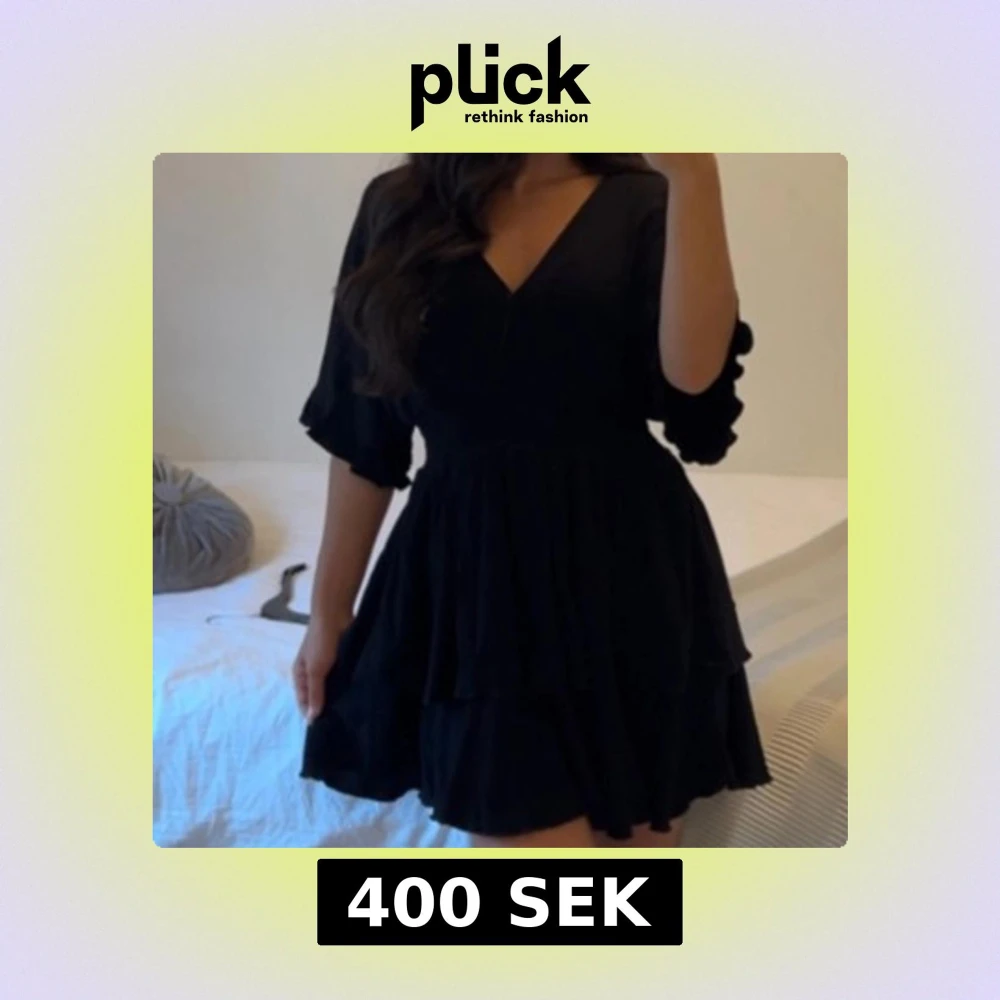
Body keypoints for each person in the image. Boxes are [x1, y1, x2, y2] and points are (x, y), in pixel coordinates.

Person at [291, 153, 773, 848]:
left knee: (633, 868)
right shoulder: (400, 204)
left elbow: (695, 391)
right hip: (474, 580)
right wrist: (329, 612)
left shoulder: (649, 197)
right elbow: (364, 431)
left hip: (628, 565)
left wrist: (696, 177)